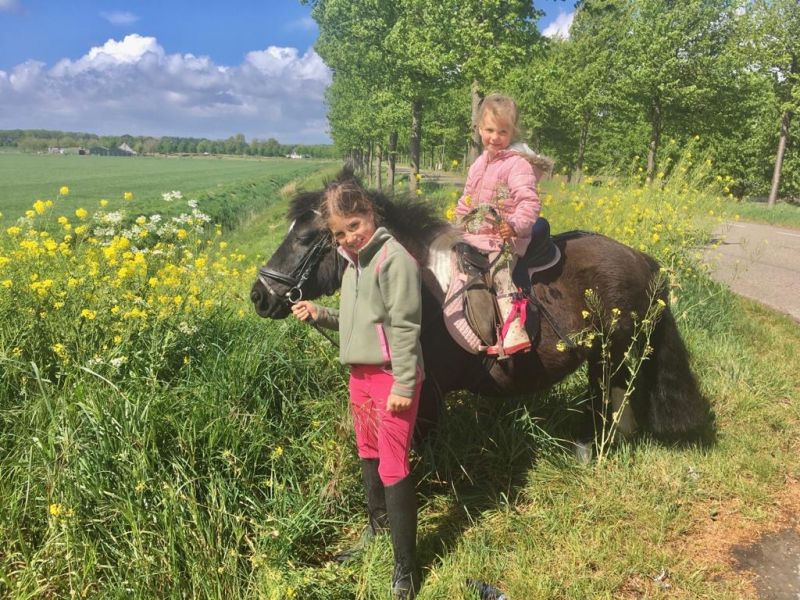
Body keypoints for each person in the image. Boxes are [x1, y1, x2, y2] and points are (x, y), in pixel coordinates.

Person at [292, 180, 424, 599]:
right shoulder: (353, 265)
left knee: (392, 465)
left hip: (390, 378)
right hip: (359, 378)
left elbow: (404, 327)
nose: (350, 236)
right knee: (367, 452)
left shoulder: (392, 260)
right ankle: (377, 529)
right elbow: (359, 320)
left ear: (370, 215)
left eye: (355, 224)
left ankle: (406, 569)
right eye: (340, 233)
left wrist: (403, 381)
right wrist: (321, 313)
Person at [455, 93, 542, 356]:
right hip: (475, 235)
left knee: (499, 271)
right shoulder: (478, 165)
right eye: (490, 130)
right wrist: (456, 225)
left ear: (512, 132)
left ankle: (514, 327)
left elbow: (529, 201)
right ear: (480, 128)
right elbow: (466, 200)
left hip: (503, 238)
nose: (495, 137)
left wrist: (515, 225)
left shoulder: (517, 165)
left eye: (502, 132)